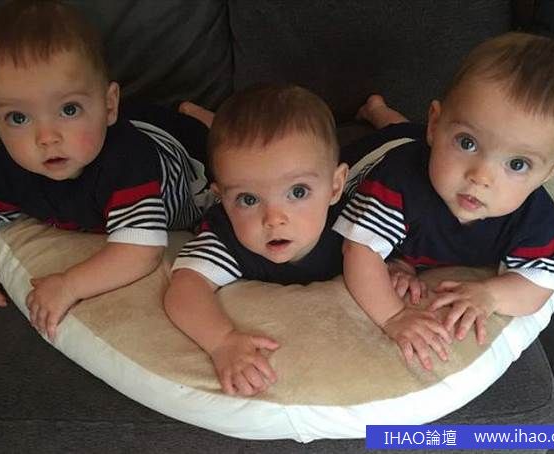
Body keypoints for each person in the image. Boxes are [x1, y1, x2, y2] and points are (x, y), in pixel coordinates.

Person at [0, 0, 209, 340]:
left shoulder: (128, 165)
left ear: (109, 105)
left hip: (178, 152)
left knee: (221, 148)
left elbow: (142, 250)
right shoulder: (4, 170)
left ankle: (200, 117)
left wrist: (69, 284)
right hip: (114, 125)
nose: (46, 138)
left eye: (69, 109)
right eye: (18, 117)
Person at [333, 32, 554, 368]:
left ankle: (391, 115)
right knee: (398, 135)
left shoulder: (536, 220)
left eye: (517, 164)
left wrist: (490, 294)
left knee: (409, 132)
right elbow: (359, 251)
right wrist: (394, 316)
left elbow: (540, 283)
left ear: (547, 175)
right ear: (436, 124)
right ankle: (380, 113)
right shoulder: (395, 183)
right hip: (387, 151)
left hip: (426, 145)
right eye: (467, 143)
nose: (481, 177)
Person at [164, 84, 413, 397]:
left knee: (400, 134)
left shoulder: (356, 221)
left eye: (298, 192)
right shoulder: (226, 238)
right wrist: (222, 341)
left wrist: (401, 266)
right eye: (248, 199)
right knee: (231, 148)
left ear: (335, 187)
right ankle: (202, 117)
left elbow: (403, 236)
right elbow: (184, 289)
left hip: (379, 154)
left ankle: (379, 112)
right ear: (222, 199)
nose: (273, 219)